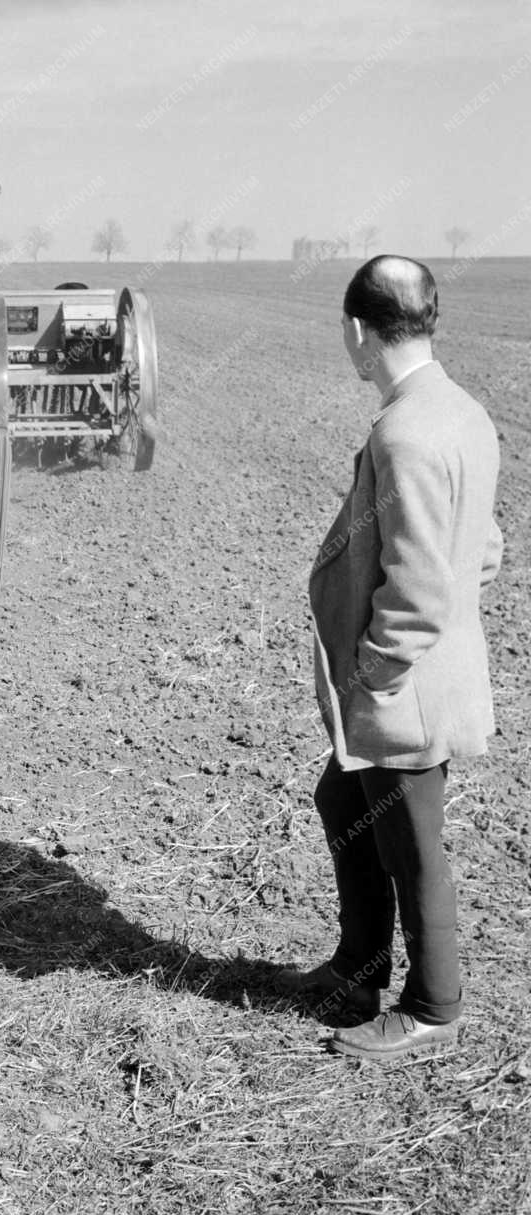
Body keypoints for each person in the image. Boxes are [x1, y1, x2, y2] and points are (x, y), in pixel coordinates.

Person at [282, 255, 504, 1060]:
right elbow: (485, 551)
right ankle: (358, 966)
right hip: (429, 673)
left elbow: (414, 589)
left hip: (402, 686)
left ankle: (433, 1005)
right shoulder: (464, 413)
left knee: (411, 843)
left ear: (356, 332)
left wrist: (376, 669)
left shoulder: (404, 431)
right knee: (345, 803)